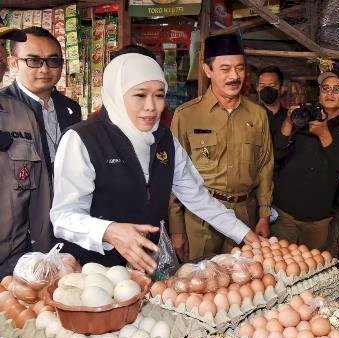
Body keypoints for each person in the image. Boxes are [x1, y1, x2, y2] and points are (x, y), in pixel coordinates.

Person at [50, 53, 259, 273]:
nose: (152, 106)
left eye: (159, 95)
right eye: (140, 95)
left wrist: (246, 235)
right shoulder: (83, 139)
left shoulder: (164, 139)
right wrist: (109, 231)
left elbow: (197, 197)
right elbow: (63, 217)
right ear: (116, 94)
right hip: (93, 270)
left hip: (147, 265)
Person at [168, 34, 273, 262]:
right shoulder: (187, 115)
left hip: (245, 212)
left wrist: (264, 214)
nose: (234, 76)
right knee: (200, 282)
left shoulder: (258, 115)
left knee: (243, 281)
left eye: (240, 68)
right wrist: (177, 228)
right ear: (207, 70)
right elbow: (175, 175)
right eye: (225, 69)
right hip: (200, 219)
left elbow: (265, 166)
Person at [271, 70, 339, 250]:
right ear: (319, 93)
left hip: (318, 219)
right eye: (325, 88)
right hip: (284, 213)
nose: (329, 93)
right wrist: (288, 123)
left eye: (337, 89)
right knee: (277, 268)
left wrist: (324, 134)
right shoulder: (302, 118)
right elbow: (276, 155)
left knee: (312, 272)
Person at [0, 26, 53, 277]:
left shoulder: (22, 115)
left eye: (0, 49)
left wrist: (44, 257)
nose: (1, 57)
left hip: (13, 263)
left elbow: (39, 194)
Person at [1, 27, 81, 175]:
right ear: (13, 63)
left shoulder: (72, 109)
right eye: (33, 60)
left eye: (53, 60)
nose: (44, 69)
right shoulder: (3, 107)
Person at [256, 65, 286, 142]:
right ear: (257, 89)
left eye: (272, 85)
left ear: (281, 89)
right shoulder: (250, 116)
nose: (267, 89)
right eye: (262, 86)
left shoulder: (290, 118)